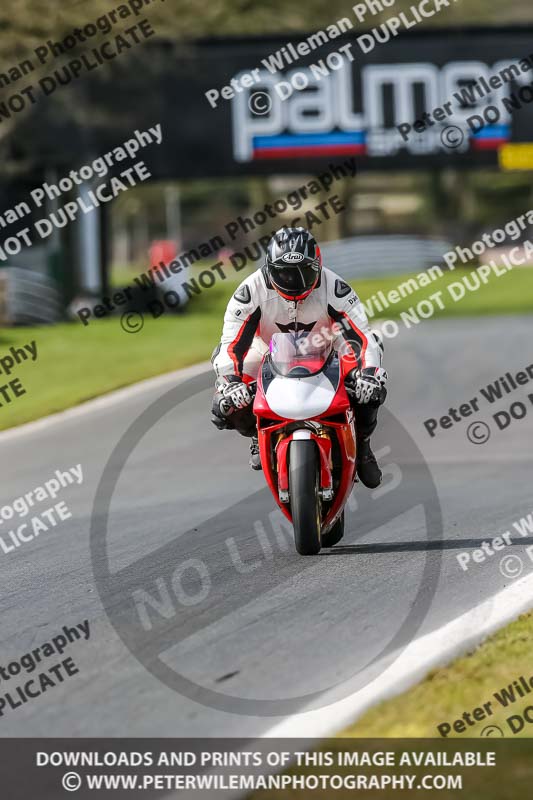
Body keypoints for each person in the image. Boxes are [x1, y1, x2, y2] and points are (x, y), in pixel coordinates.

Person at [210, 226, 388, 487]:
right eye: (284, 272)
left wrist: (369, 373)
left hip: (328, 345)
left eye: (302, 272)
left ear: (317, 266)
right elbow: (231, 343)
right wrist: (230, 381)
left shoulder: (335, 287)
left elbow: (361, 336)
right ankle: (256, 435)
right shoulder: (250, 291)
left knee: (372, 382)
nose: (293, 281)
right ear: (270, 269)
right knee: (223, 403)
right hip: (267, 350)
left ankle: (361, 444)